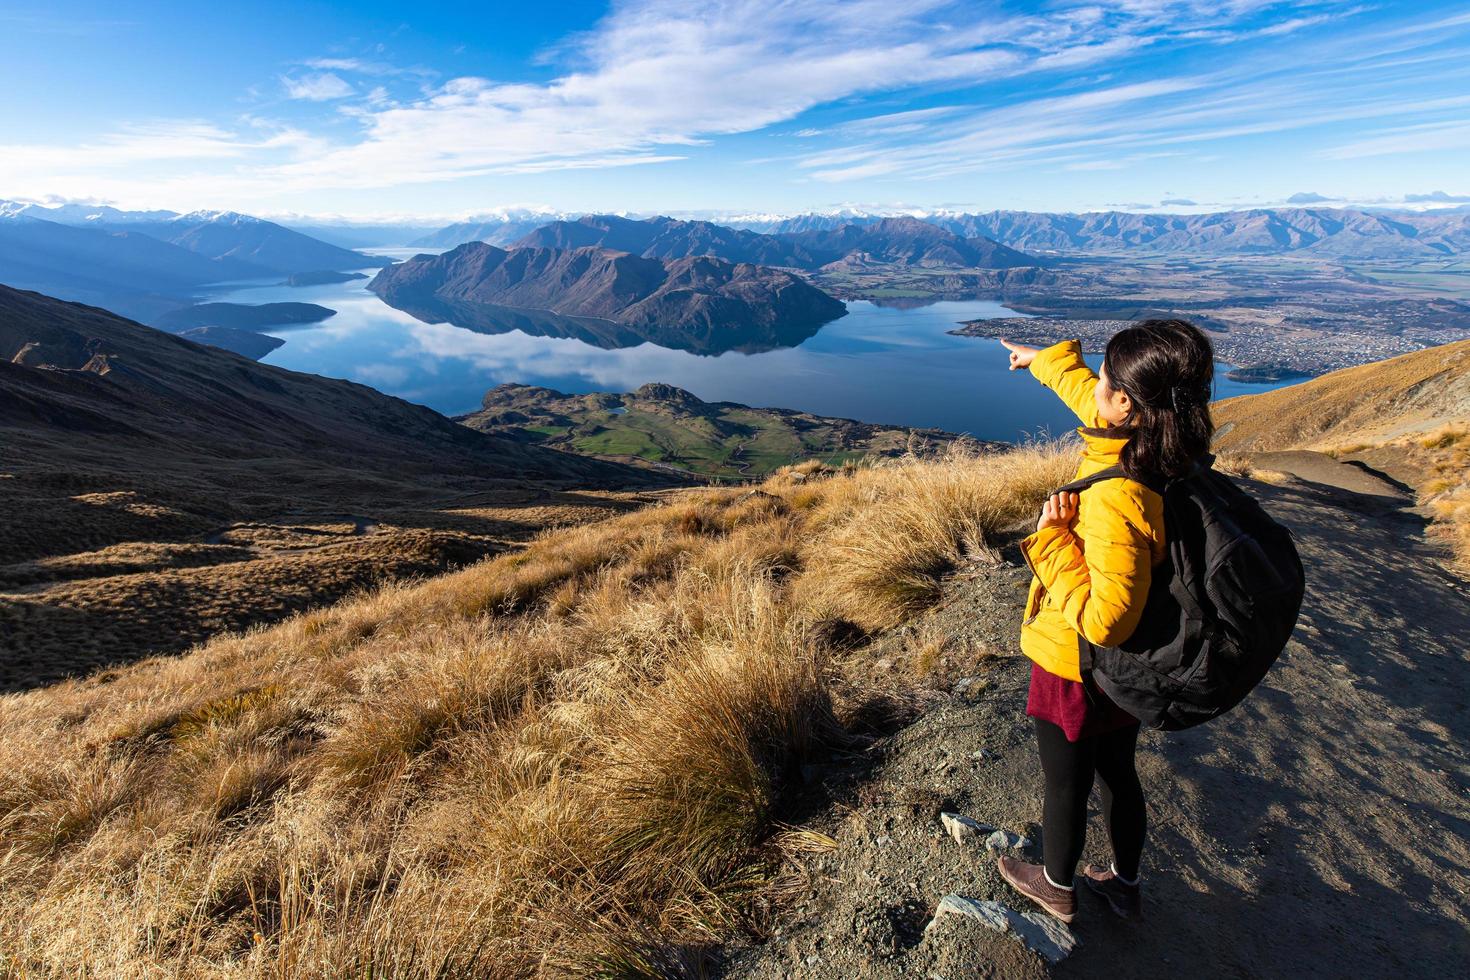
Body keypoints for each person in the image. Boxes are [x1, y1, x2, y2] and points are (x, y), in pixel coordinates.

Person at [994, 319, 1216, 924]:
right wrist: (1045, 361)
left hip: (1079, 662)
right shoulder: (1165, 449)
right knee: (1118, 770)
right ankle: (1124, 881)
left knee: (1066, 781)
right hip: (1134, 663)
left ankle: (1056, 885)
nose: (1096, 387)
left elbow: (1105, 620)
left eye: (1107, 383)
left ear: (1125, 403)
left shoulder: (1118, 494)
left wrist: (1053, 541)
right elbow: (1086, 393)